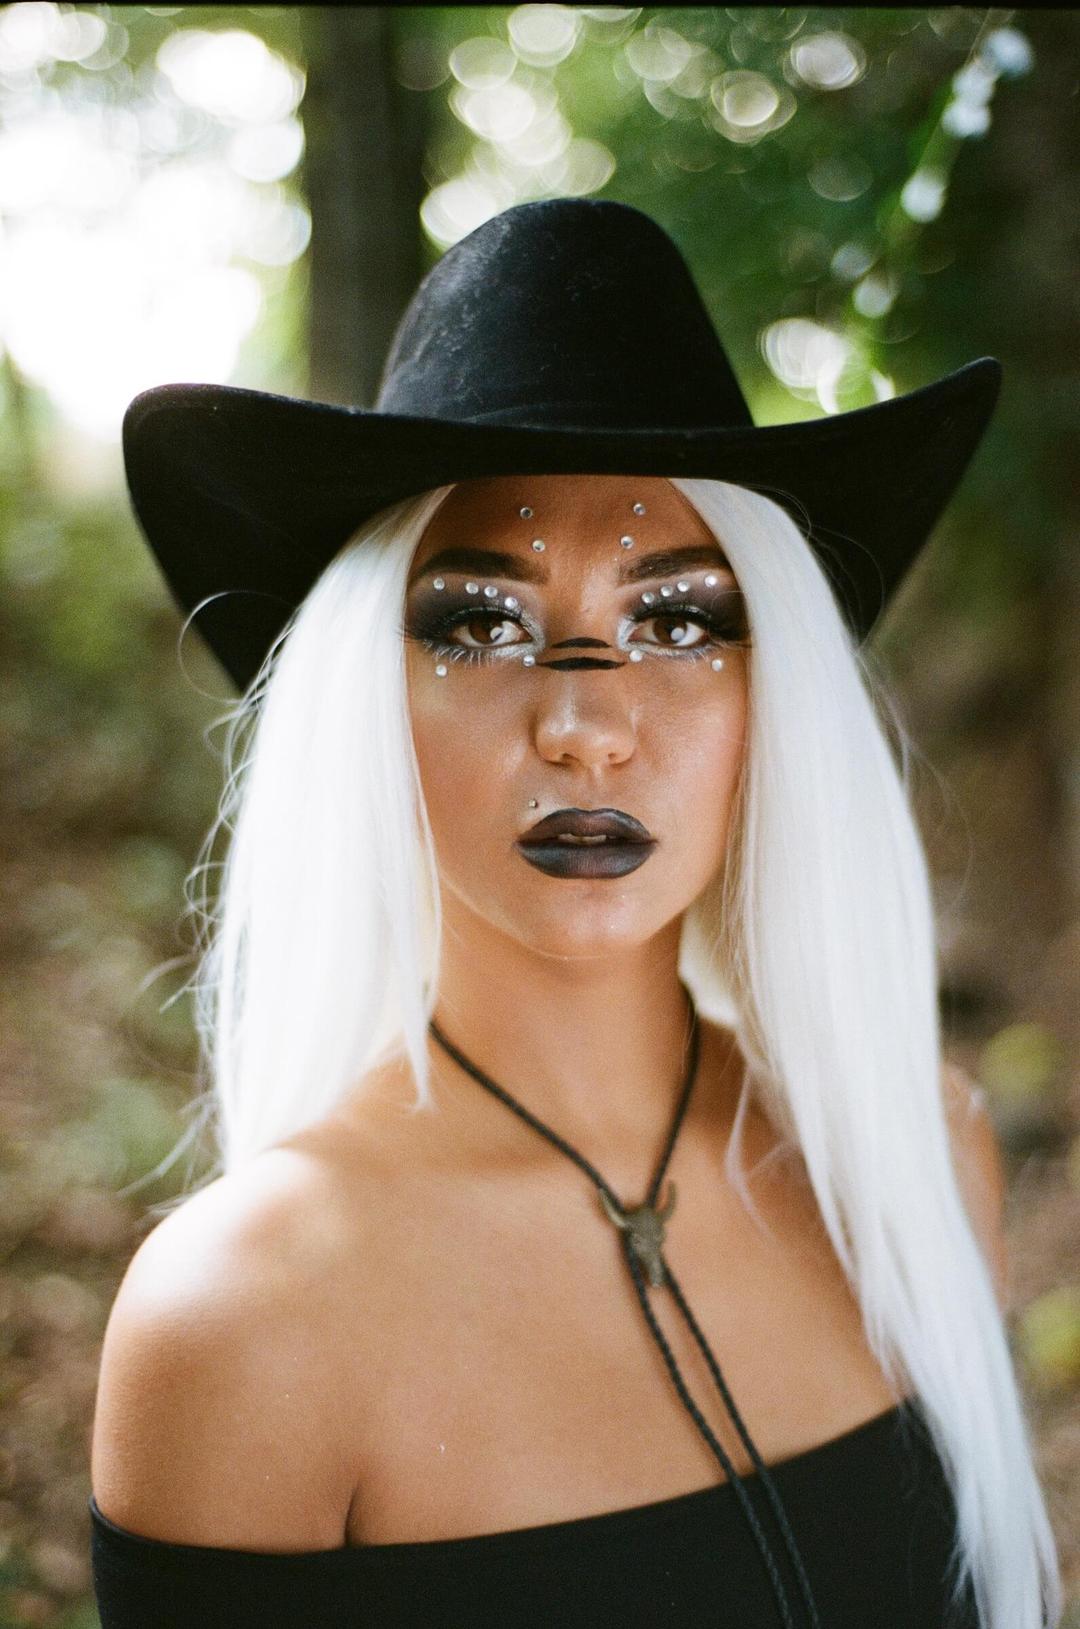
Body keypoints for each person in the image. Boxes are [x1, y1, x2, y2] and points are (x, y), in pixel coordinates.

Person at [86, 198, 1062, 1629]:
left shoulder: (922, 1158)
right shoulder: (240, 1322)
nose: (589, 725)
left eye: (678, 619)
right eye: (479, 622)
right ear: (367, 696)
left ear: (771, 688)